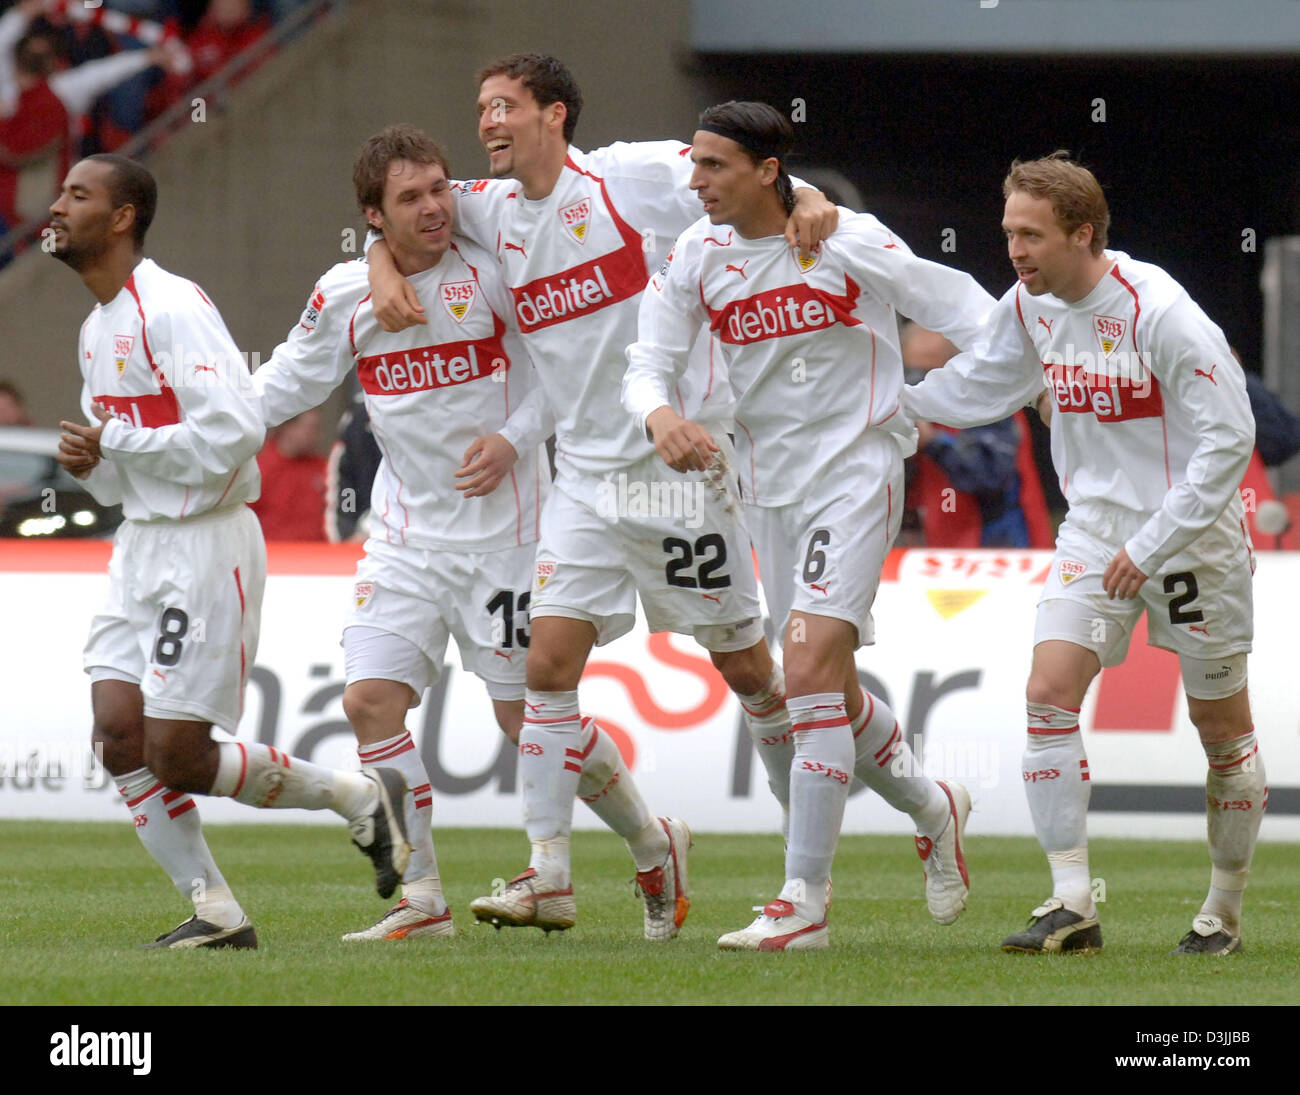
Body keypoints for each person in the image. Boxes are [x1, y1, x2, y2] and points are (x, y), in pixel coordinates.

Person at [366, 54, 838, 941]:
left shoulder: (636, 176)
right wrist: (375, 264)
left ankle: (803, 868)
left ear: (554, 114)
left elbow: (746, 180)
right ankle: (549, 872)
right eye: (480, 108)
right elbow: (402, 211)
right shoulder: (486, 207)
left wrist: (811, 198)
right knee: (547, 668)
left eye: (503, 106)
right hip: (581, 477)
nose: (487, 123)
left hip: (679, 469)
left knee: (747, 671)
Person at [256, 123, 639, 941]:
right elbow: (285, 379)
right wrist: (198, 428)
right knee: (368, 700)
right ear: (374, 215)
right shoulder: (347, 294)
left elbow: (557, 374)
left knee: (524, 721)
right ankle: (421, 896)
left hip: (509, 537)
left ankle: (650, 838)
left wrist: (512, 439)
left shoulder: (495, 271)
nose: (434, 207)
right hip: (404, 538)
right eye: (409, 198)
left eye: (439, 188)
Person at [623, 101, 987, 950]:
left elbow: (960, 302)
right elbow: (648, 362)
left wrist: (1017, 370)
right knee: (820, 685)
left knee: (814, 667)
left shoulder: (846, 238)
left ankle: (803, 901)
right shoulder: (696, 254)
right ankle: (935, 809)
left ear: (764, 170)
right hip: (762, 487)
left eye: (713, 165)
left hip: (856, 472)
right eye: (695, 163)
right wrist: (659, 417)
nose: (695, 181)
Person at [903, 152, 1262, 956]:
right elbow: (987, 383)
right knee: (1048, 691)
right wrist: (890, 405)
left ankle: (1222, 912)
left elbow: (1230, 436)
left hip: (1191, 538)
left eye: (1031, 235)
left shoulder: (1158, 309)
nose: (1016, 252)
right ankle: (1072, 900)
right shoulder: (1030, 306)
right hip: (1095, 531)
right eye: (1008, 234)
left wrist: (1155, 539)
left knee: (1221, 733)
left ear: (1083, 232)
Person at [51, 153, 409, 949]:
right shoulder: (93, 329)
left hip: (208, 542)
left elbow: (235, 431)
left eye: (77, 194)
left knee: (177, 755)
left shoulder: (172, 307)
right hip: (140, 542)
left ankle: (356, 798)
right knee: (117, 735)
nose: (56, 207)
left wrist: (118, 439)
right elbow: (121, 479)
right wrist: (99, 461)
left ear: (120, 219)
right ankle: (215, 910)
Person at [902, 321, 1052, 548]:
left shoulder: (990, 404)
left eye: (926, 374)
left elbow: (991, 475)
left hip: (1000, 548)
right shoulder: (912, 410)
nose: (918, 383)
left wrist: (933, 442)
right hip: (939, 550)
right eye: (910, 373)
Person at [249, 408, 327, 541]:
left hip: (318, 555)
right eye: (310, 429)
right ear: (288, 427)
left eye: (317, 429)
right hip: (275, 555)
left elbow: (347, 496)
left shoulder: (322, 467)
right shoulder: (260, 468)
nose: (316, 436)